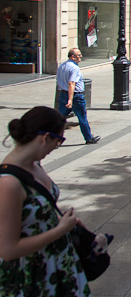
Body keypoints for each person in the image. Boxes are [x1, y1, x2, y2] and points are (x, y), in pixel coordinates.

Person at [0, 107, 89, 295]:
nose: (56, 147)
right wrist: (59, 231)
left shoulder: (35, 164)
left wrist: (62, 221)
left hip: (55, 263)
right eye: (59, 141)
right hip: (30, 274)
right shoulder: (8, 184)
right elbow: (8, 250)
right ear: (45, 138)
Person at [55, 48, 100, 145]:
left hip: (63, 94)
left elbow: (58, 80)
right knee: (82, 118)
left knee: (60, 119)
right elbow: (71, 83)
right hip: (75, 96)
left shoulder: (62, 66)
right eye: (79, 55)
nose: (81, 56)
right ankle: (89, 138)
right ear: (73, 57)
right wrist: (70, 99)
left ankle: (55, 140)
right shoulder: (74, 68)